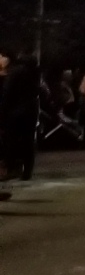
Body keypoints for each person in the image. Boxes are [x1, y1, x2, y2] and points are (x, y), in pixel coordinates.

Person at [0, 53, 36, 182]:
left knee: (11, 140)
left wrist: (3, 111)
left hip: (15, 111)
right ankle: (27, 171)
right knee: (28, 141)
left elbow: (7, 92)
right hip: (31, 110)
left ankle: (10, 169)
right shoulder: (34, 73)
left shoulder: (14, 72)